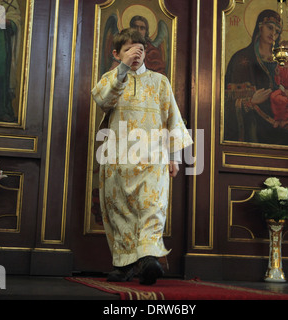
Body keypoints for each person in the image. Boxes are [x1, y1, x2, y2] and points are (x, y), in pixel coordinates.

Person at [91, 28, 193, 285]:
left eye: (140, 48)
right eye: (128, 49)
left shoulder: (160, 82)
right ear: (116, 54)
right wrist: (123, 69)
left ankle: (148, 259)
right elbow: (103, 100)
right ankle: (125, 265)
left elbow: (173, 121)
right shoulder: (110, 78)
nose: (135, 53)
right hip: (117, 156)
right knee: (120, 210)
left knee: (152, 208)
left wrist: (174, 156)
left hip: (153, 157)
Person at [224, 9, 288, 147]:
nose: (273, 34)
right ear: (260, 27)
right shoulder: (241, 59)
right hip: (254, 127)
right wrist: (251, 102)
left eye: (277, 31)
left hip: (285, 120)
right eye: (270, 27)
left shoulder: (282, 60)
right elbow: (225, 102)